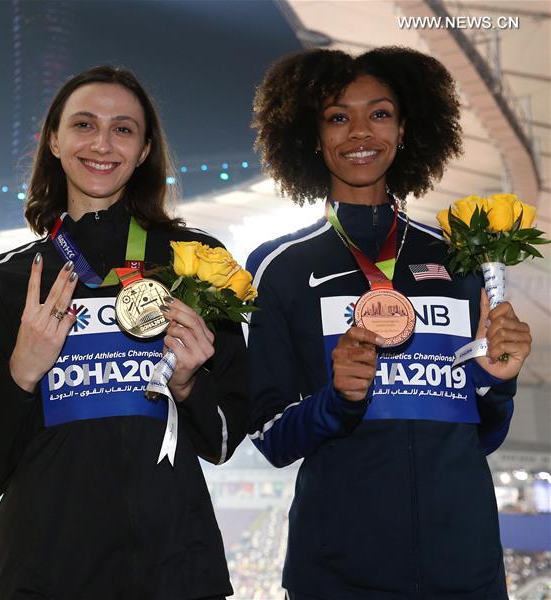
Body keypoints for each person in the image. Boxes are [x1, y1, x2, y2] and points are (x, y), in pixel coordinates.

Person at [0, 65, 255, 599]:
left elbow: (225, 438)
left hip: (174, 573)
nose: (102, 143)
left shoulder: (195, 264)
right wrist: (24, 374)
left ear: (143, 151)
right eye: (84, 125)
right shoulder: (6, 283)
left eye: (123, 128)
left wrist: (188, 384)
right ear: (54, 140)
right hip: (44, 577)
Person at [244, 46, 533, 599]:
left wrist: (498, 382)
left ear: (405, 129)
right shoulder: (281, 266)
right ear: (310, 135)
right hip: (338, 573)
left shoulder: (459, 257)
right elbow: (271, 437)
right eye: (337, 116)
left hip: (466, 569)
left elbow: (484, 434)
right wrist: (336, 400)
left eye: (379, 113)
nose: (360, 132)